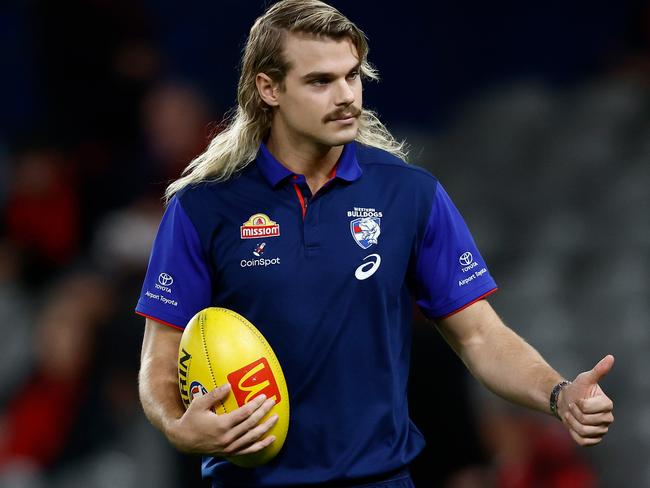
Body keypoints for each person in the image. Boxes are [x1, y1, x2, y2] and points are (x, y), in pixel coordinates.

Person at [136, 1, 615, 486]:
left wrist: (559, 393)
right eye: (321, 81)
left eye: (352, 76)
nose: (346, 96)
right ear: (269, 88)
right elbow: (161, 354)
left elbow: (480, 336)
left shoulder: (410, 193)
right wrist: (180, 427)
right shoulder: (201, 207)